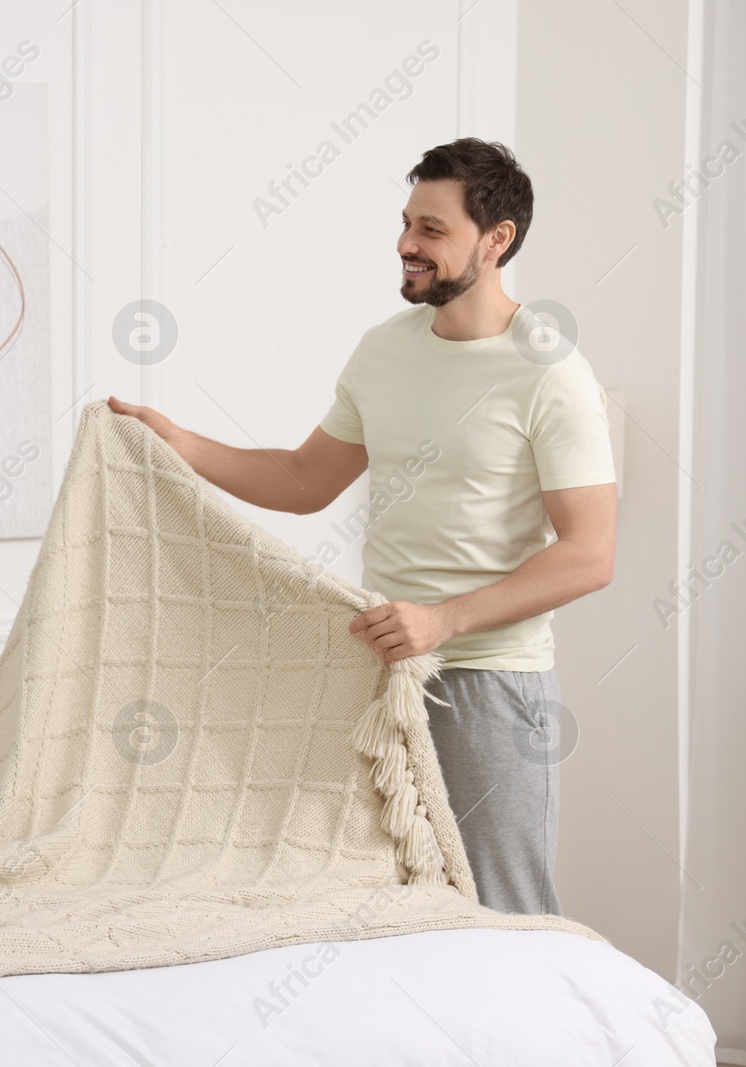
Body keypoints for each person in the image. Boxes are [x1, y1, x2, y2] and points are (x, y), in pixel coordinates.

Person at [109, 138, 618, 918]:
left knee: (504, 916)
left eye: (432, 230)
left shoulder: (549, 370)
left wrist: (442, 620)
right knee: (392, 908)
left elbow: (590, 553)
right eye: (407, 223)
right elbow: (306, 479)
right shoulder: (384, 350)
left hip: (490, 686)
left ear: (497, 240)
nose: (407, 245)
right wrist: (181, 444)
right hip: (383, 677)